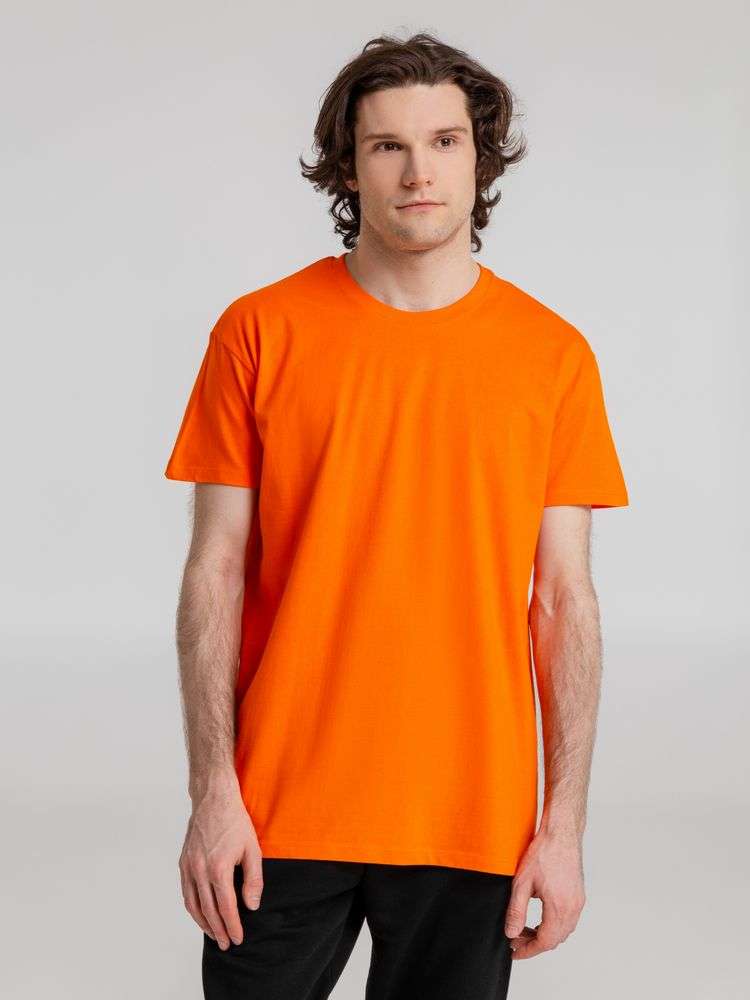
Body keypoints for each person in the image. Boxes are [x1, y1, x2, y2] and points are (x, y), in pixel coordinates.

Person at [164, 30, 629, 1000]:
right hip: (279, 806)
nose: (419, 171)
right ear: (348, 166)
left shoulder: (552, 357)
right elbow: (214, 571)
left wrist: (563, 828)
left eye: (445, 141)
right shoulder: (259, 333)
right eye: (388, 145)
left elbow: (563, 602)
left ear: (480, 157)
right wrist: (213, 792)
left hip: (471, 815)